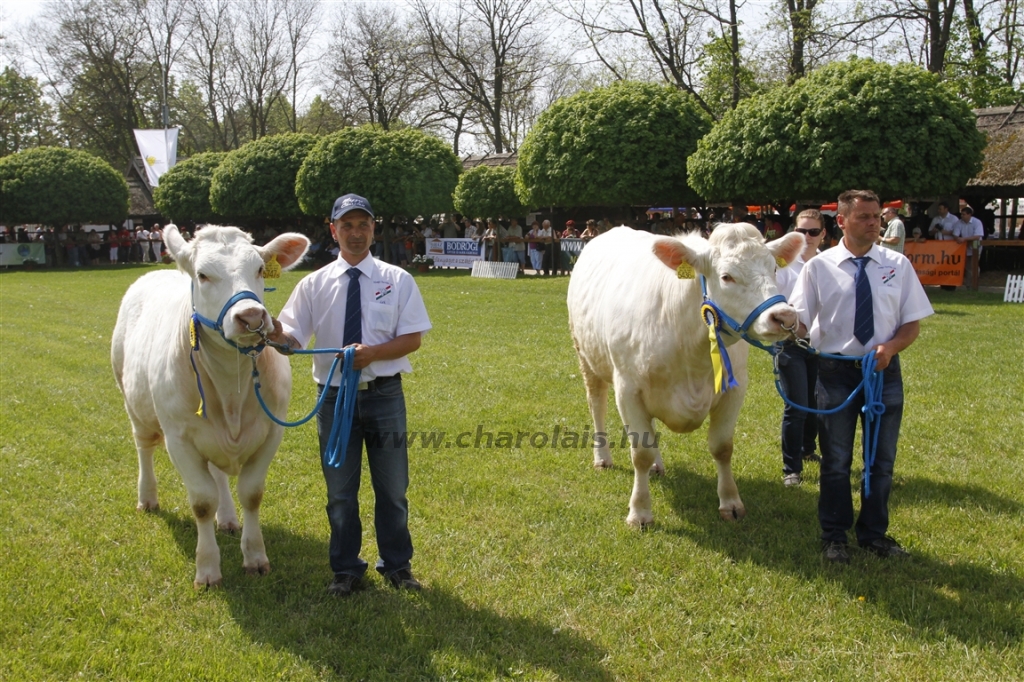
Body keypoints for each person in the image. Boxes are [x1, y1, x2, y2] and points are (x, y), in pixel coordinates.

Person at [268, 193, 432, 596]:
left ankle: (397, 566)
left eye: (363, 225)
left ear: (374, 228)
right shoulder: (313, 284)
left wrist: (373, 354)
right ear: (333, 230)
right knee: (340, 492)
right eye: (347, 225)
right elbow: (292, 337)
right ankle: (346, 569)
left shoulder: (398, 280)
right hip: (333, 400)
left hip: (384, 395)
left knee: (393, 490)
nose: (355, 233)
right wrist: (272, 333)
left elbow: (413, 338)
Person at [791, 189, 933, 565]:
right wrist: (783, 325)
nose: (875, 224)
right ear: (841, 221)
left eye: (877, 217)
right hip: (835, 372)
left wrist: (890, 349)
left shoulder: (897, 264)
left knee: (881, 460)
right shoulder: (818, 267)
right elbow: (801, 321)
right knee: (836, 460)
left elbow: (911, 323)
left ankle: (874, 534)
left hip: (883, 373)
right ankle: (834, 537)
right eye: (865, 217)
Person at [775, 210, 826, 487]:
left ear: (823, 234)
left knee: (817, 405)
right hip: (791, 345)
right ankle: (791, 469)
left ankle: (808, 449)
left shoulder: (829, 264)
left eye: (813, 232)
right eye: (801, 232)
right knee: (797, 405)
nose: (806, 237)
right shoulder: (782, 268)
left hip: (821, 346)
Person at [953, 205, 984, 287]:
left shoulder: (977, 222)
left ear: (969, 214)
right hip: (965, 247)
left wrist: (964, 239)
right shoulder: (959, 222)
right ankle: (968, 284)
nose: (962, 216)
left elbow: (978, 236)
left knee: (974, 265)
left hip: (976, 246)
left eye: (964, 214)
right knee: (967, 266)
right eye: (961, 214)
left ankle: (974, 283)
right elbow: (955, 234)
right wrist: (958, 238)